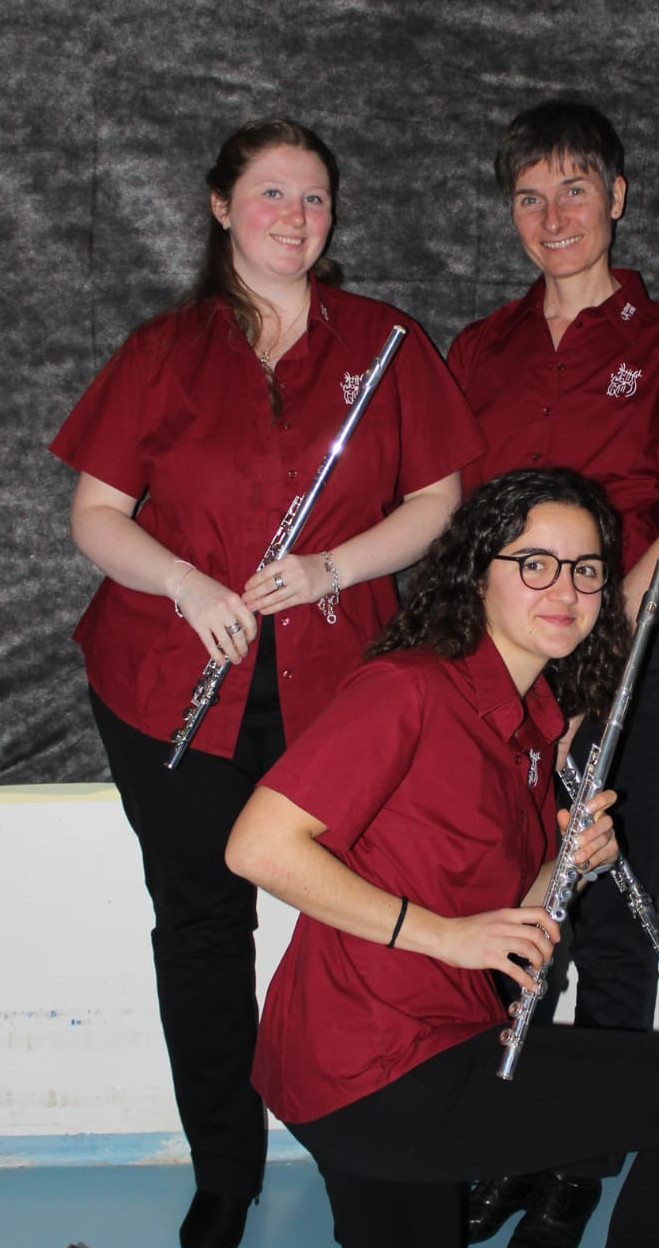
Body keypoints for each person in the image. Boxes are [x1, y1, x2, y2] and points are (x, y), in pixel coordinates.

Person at [49, 118, 484, 1248]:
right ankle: (225, 1173)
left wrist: (337, 565)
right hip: (169, 681)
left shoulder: (386, 341)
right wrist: (187, 583)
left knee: (366, 925)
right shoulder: (163, 349)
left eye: (315, 197)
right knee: (202, 930)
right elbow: (96, 514)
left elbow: (438, 501)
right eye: (273, 194)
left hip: (347, 685)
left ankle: (375, 1160)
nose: (296, 217)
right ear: (220, 206)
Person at [224, 467, 659, 1248]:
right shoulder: (409, 689)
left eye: (586, 570)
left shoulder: (535, 724)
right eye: (535, 564)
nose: (566, 590)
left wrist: (575, 864)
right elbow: (257, 847)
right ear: (477, 573)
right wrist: (443, 937)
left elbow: (509, 902)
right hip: (375, 1063)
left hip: (411, 1047)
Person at [447, 102, 659, 1246]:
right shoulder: (480, 350)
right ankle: (509, 1138)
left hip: (625, 671)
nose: (553, 214)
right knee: (509, 912)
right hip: (497, 675)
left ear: (618, 197)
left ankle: (578, 1165)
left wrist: (588, 652)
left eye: (575, 188)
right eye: (530, 195)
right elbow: (457, 524)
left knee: (613, 915)